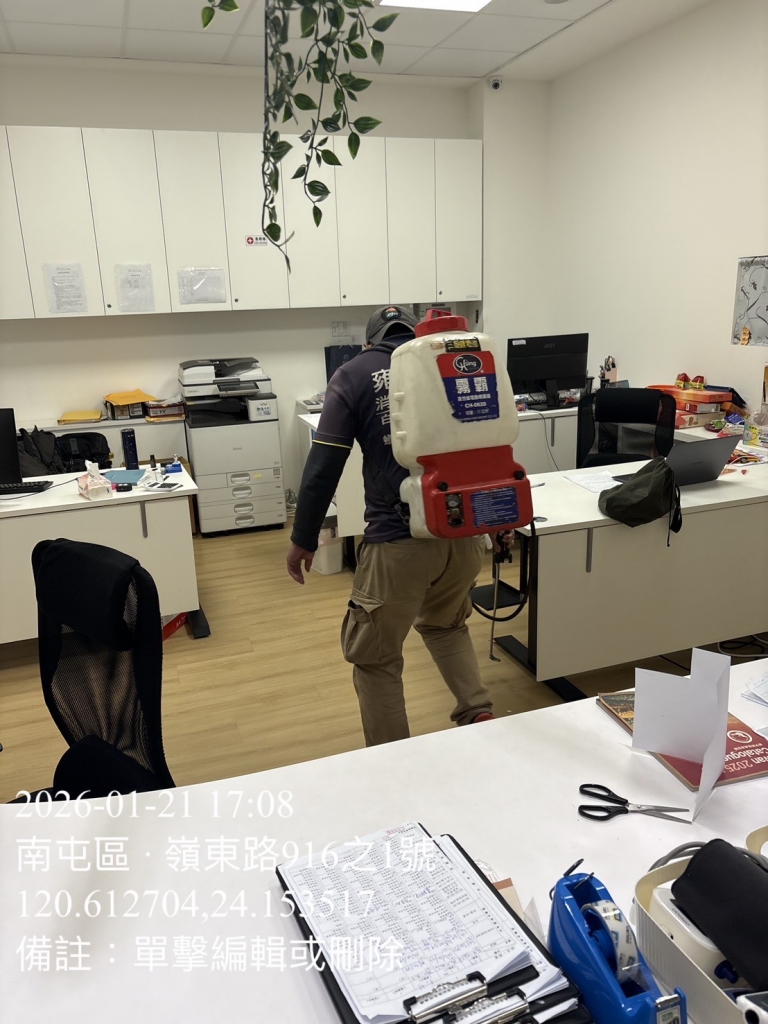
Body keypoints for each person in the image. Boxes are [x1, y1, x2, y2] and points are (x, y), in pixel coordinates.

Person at [286, 304, 493, 746]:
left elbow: (324, 466)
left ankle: (392, 762)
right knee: (446, 625)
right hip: (463, 535)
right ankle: (479, 713)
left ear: (369, 343)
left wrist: (303, 538)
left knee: (376, 659)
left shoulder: (354, 374)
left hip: (398, 544)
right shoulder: (450, 362)